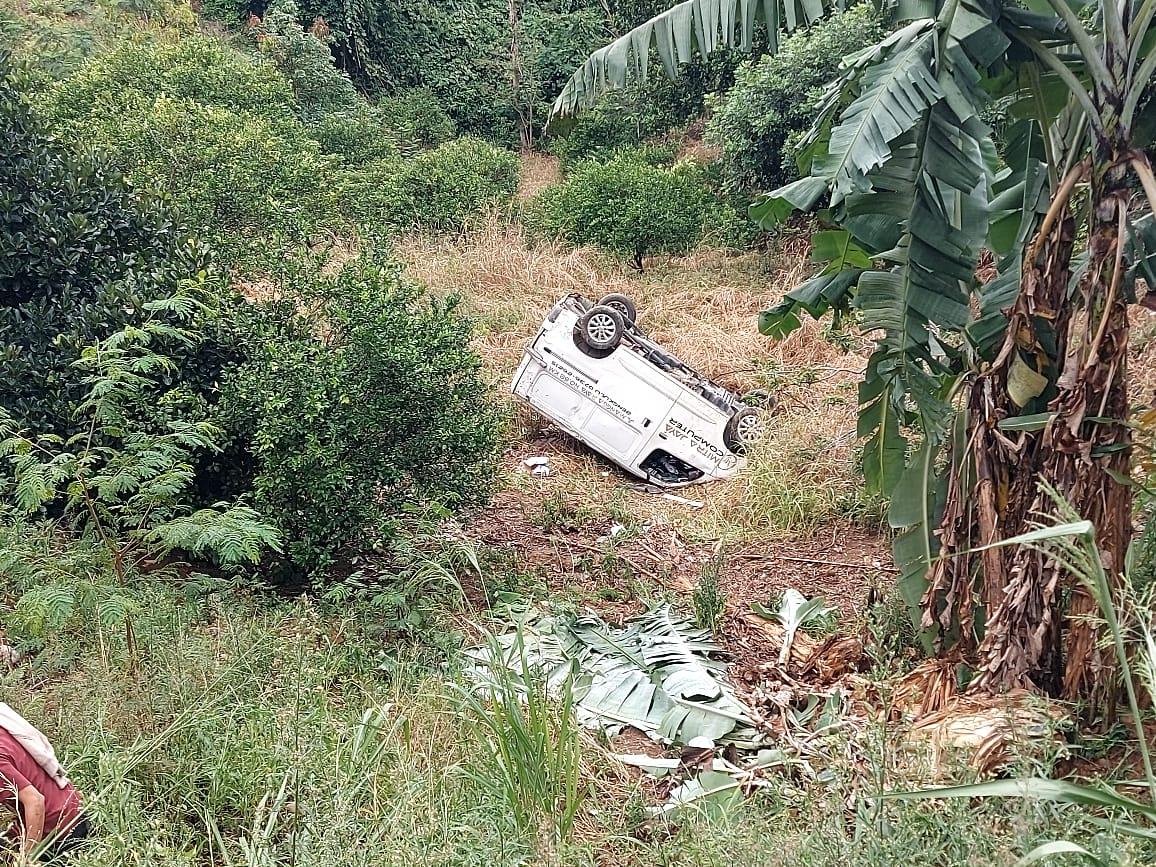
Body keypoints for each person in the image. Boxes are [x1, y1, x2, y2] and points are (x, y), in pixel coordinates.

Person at [0, 709, 86, 863]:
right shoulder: (3, 728)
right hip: (70, 806)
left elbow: (35, 801)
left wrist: (26, 859)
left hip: (60, 830)